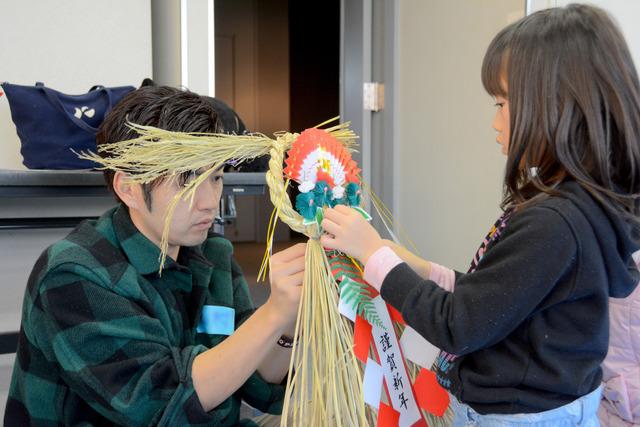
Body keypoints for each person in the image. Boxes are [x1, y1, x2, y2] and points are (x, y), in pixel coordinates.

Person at [322, 4, 640, 426]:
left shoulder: (554, 223)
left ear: (553, 106)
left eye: (502, 103)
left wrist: (375, 258)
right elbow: (501, 296)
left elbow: (459, 325)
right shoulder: (578, 211)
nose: (495, 122)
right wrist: (415, 267)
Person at [4, 86, 305, 426]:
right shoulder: (73, 274)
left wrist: (286, 319)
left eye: (217, 177)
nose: (210, 201)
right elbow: (165, 407)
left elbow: (259, 382)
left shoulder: (213, 254)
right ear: (129, 188)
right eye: (187, 182)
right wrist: (271, 315)